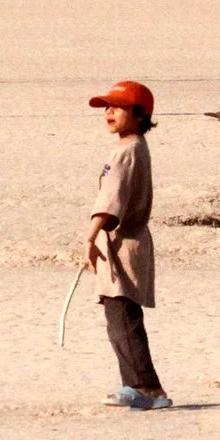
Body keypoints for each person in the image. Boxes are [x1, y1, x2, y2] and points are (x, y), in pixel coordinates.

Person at [84, 79, 167, 410]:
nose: (109, 111)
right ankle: (136, 385)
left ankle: (146, 388)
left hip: (122, 242)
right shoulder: (130, 148)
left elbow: (111, 199)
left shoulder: (126, 152)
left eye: (117, 106)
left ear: (139, 113)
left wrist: (90, 237)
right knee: (118, 314)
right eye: (107, 106)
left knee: (122, 316)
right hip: (124, 240)